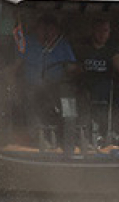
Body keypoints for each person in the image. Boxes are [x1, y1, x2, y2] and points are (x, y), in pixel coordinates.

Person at [75, 16, 119, 148]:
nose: (102, 34)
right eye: (99, 30)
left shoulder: (111, 50)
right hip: (84, 88)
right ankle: (89, 136)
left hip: (107, 88)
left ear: (109, 32)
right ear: (93, 31)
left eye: (105, 31)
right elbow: (73, 67)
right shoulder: (82, 48)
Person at [17, 13, 77, 149]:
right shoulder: (27, 43)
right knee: (30, 99)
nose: (46, 33)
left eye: (50, 29)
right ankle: (38, 136)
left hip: (57, 87)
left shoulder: (62, 45)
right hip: (32, 86)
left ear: (56, 30)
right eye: (43, 29)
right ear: (37, 29)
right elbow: (16, 64)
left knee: (68, 101)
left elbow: (72, 68)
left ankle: (68, 141)